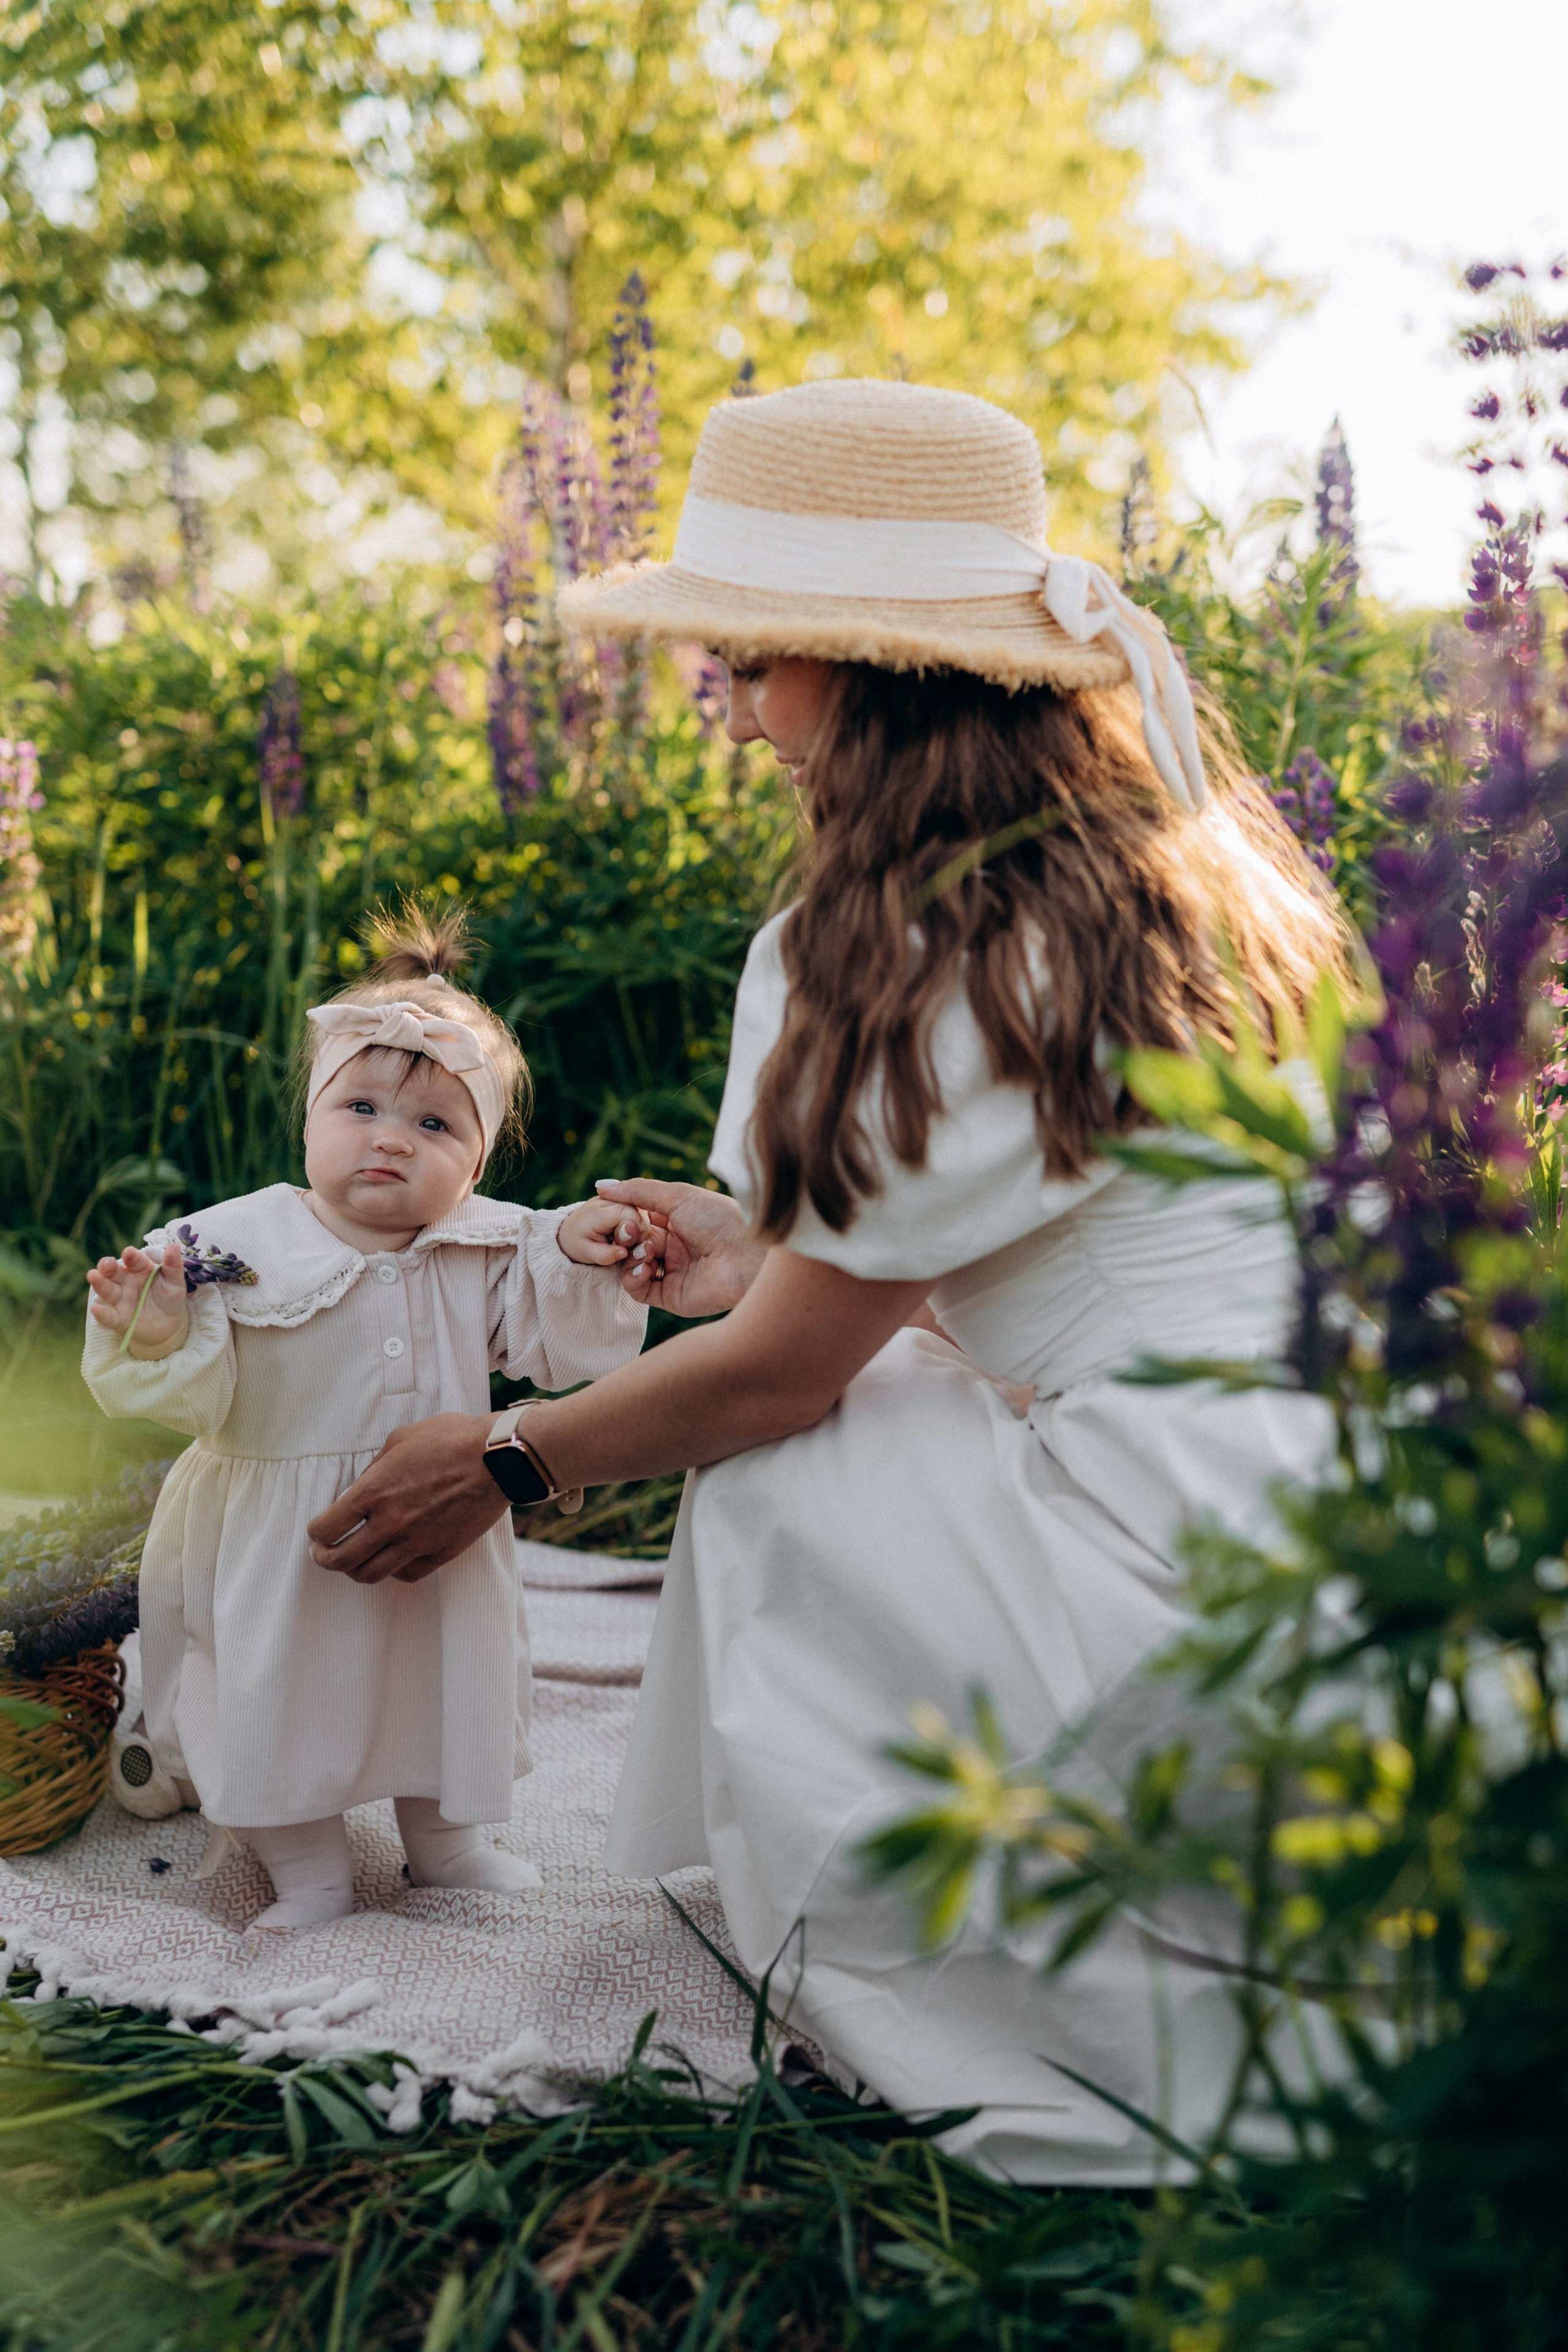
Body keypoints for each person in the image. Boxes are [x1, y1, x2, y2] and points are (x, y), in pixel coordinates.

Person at [304, 381, 1352, 2178]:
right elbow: (1090, 1251)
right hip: (1332, 1525)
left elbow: (781, 1378)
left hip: (1167, 1583)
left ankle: (923, 1946)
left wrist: (507, 1457)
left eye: (745, 655)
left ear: (862, 669)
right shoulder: (1191, 881)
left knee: (790, 1454)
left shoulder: (877, 939)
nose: (722, 702)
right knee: (871, 1387)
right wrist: (766, 1254)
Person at [83, 907, 647, 1929]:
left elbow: (556, 1338)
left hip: (439, 1525)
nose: (391, 1137)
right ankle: (307, 1868)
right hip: (280, 1538)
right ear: (310, 1115)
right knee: (278, 1690)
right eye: (361, 1107)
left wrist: (582, 1249)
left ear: (477, 1164)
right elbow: (188, 1392)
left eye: (435, 1125)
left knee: (444, 1680)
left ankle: (447, 1842)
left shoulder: (483, 1246)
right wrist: (157, 1329)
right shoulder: (234, 1244)